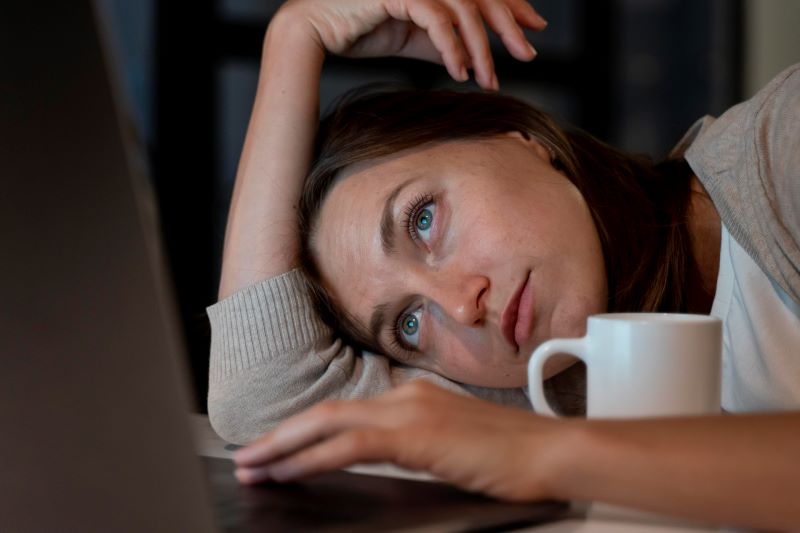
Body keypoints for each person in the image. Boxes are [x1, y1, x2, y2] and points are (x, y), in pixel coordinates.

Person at [207, 0, 800, 529]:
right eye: (409, 324)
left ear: (517, 136)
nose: (462, 307)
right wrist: (292, 39)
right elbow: (262, 402)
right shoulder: (566, 379)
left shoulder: (784, 151)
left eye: (422, 221)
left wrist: (546, 454)